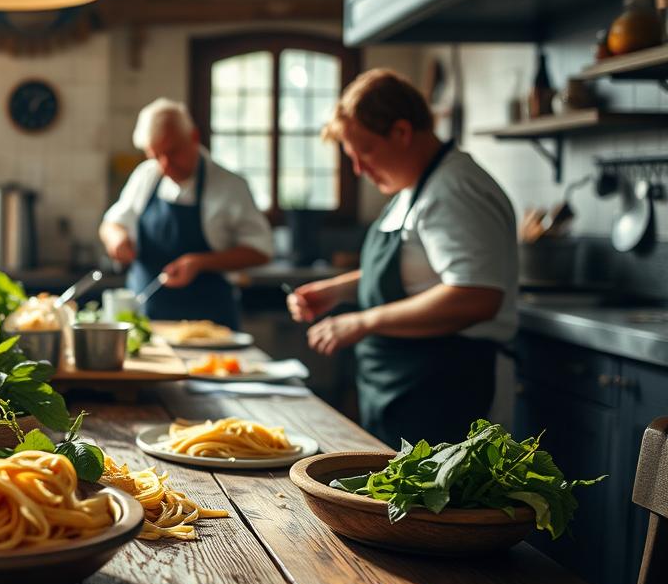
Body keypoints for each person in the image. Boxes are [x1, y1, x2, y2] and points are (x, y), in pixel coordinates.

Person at [288, 69, 517, 445]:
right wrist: (337, 291)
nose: (359, 170)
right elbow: (413, 273)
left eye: (365, 152)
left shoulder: (453, 190)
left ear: (401, 132)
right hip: (405, 386)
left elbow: (476, 296)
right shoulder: (414, 187)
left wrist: (362, 321)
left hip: (446, 389)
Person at [100, 99, 272, 326]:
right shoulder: (146, 176)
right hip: (145, 321)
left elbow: (261, 251)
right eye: (156, 155)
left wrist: (200, 262)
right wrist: (117, 239)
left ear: (193, 137)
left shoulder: (231, 186)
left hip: (210, 324)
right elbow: (111, 224)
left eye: (172, 152)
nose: (165, 165)